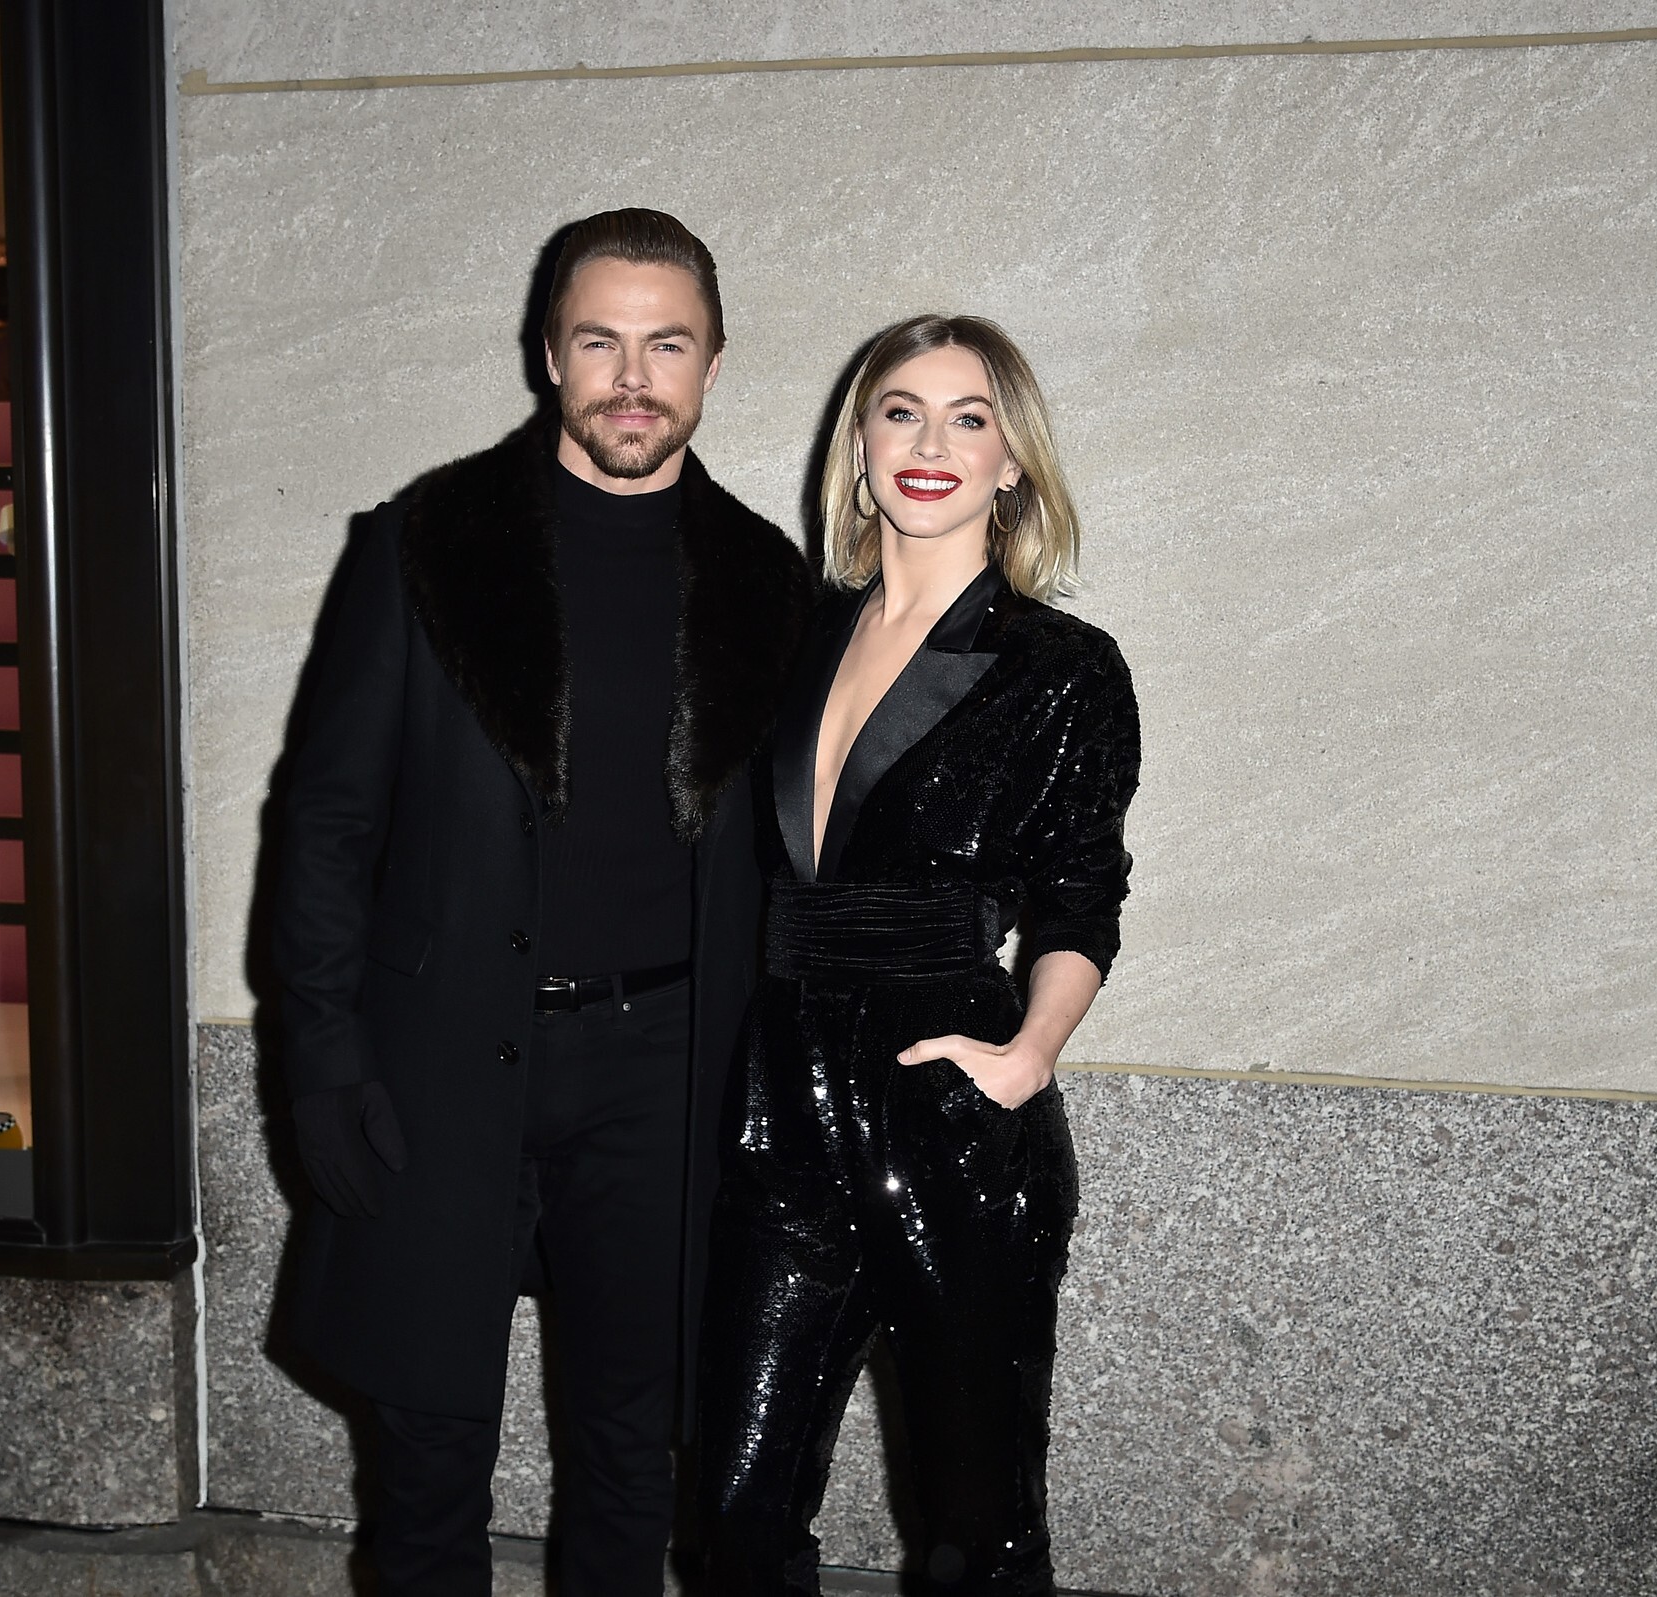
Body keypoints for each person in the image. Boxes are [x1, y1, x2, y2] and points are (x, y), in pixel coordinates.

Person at [267, 209, 810, 1596]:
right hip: (443, 1054)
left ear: (714, 363)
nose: (633, 377)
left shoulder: (768, 585)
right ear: (549, 353)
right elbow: (325, 826)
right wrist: (318, 1065)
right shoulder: (423, 548)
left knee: (637, 1452)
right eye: (600, 341)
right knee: (428, 1458)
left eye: (667, 345)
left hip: (666, 1077)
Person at [695, 314, 1141, 1594]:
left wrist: (1027, 1055)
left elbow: (1081, 897)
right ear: (861, 446)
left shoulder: (1057, 668)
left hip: (946, 1103)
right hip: (781, 1104)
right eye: (900, 411)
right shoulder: (794, 639)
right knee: (733, 1513)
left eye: (968, 417)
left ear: (1012, 460)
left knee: (973, 1530)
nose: (930, 442)